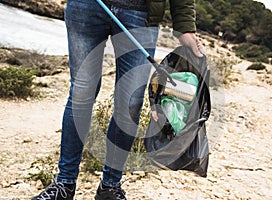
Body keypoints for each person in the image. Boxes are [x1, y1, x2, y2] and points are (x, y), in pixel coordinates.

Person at [32, 0, 204, 199]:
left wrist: (185, 28)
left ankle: (110, 187)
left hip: (140, 15)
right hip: (86, 6)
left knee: (131, 105)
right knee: (80, 95)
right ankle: (64, 184)